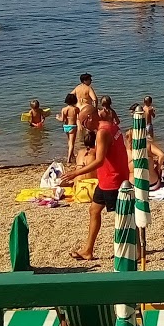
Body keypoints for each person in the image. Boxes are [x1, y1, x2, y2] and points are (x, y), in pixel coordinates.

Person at [58, 104, 129, 262]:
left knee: (123, 215)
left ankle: (136, 250)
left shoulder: (102, 132)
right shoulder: (111, 124)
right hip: (105, 179)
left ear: (90, 118)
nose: (83, 127)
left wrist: (75, 173)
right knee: (94, 210)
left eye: (83, 123)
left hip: (113, 180)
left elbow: (99, 160)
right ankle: (88, 250)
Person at [59, 93, 81, 163]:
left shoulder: (64, 109)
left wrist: (57, 117)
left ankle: (72, 155)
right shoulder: (76, 109)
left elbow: (62, 119)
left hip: (66, 127)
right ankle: (69, 159)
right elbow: (79, 117)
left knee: (69, 141)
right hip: (72, 126)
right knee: (72, 143)